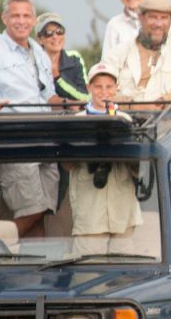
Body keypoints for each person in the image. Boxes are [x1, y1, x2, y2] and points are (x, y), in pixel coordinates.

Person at [0, 0, 62, 236]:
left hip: (46, 139)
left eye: (26, 16)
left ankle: (33, 259)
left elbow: (48, 96)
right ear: (4, 18)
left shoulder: (38, 52)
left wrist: (78, 104)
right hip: (14, 140)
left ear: (34, 20)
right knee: (33, 208)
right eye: (15, 15)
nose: (21, 21)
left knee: (44, 210)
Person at [67, 62, 157, 256]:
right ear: (89, 88)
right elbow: (67, 165)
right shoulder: (77, 120)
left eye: (109, 87)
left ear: (116, 88)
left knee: (124, 265)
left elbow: (139, 168)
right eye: (98, 87)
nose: (104, 92)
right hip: (90, 209)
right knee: (88, 265)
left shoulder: (126, 120)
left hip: (122, 208)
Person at [107, 0, 171, 106]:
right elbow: (101, 90)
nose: (158, 24)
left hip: (170, 115)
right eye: (153, 17)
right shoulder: (119, 52)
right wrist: (129, 106)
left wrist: (166, 101)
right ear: (140, 17)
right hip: (126, 116)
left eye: (164, 18)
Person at [34, 12, 87, 102]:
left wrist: (58, 78)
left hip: (72, 111)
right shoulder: (32, 62)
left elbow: (85, 97)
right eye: (48, 33)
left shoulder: (74, 58)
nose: (55, 37)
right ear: (40, 39)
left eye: (59, 31)